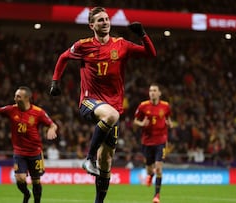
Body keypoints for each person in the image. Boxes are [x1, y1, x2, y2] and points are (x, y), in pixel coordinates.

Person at [49, 6, 156, 203]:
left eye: (106, 19)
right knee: (111, 116)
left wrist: (143, 34)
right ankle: (88, 158)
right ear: (92, 25)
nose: (105, 22)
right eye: (100, 20)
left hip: (112, 106)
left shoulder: (121, 45)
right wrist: (56, 81)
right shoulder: (83, 45)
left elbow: (151, 53)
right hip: (89, 102)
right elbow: (63, 57)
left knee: (106, 162)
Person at [133, 84, 172, 203]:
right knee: (150, 169)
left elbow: (168, 119)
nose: (152, 93)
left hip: (160, 140)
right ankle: (150, 175)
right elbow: (135, 121)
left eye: (154, 90)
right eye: (150, 90)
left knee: (159, 169)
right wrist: (141, 124)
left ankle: (157, 195)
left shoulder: (166, 106)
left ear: (159, 93)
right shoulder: (143, 106)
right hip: (147, 141)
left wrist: (170, 124)